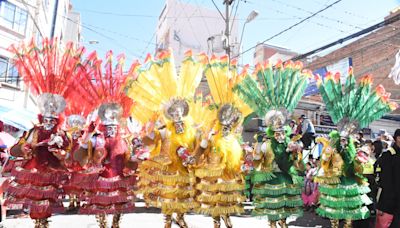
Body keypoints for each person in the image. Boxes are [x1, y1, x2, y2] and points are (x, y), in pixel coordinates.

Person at [313, 70, 397, 228]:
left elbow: (359, 169)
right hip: (335, 183)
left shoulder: (358, 150)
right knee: (334, 217)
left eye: (347, 138)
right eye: (342, 139)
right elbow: (324, 164)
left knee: (350, 218)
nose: (344, 141)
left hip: (350, 184)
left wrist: (358, 159)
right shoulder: (332, 146)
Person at [235, 60, 308, 228]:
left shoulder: (290, 143)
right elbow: (257, 160)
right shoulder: (266, 143)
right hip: (271, 178)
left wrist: (296, 152)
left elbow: (299, 165)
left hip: (286, 177)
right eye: (277, 133)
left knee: (285, 208)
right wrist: (257, 150)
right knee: (272, 210)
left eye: (282, 132)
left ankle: (283, 223)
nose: (281, 135)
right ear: (272, 132)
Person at [375, 129, 400, 228]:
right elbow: (385, 182)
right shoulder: (388, 156)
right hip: (390, 204)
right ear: (398, 138)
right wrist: (384, 205)